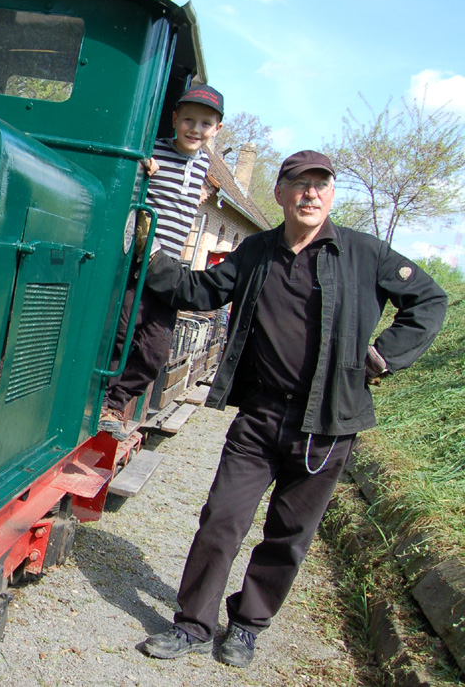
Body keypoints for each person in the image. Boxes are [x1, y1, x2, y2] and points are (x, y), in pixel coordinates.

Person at [138, 150, 447, 667]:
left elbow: (429, 301)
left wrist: (386, 354)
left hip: (328, 424)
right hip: (260, 417)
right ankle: (193, 625)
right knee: (221, 520)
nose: (310, 194)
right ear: (279, 194)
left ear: (331, 196)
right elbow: (202, 290)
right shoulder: (256, 251)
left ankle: (247, 626)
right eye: (299, 185)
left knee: (288, 535)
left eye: (320, 185)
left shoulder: (364, 252)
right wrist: (147, 253)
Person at [99, 85, 223, 439]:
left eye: (205, 123)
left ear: (217, 130)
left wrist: (203, 195)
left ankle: (120, 397)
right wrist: (144, 171)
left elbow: (200, 193)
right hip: (139, 264)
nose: (195, 129)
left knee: (156, 352)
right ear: (174, 120)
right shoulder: (154, 151)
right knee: (121, 334)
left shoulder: (203, 165)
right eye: (188, 120)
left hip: (170, 273)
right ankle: (105, 403)